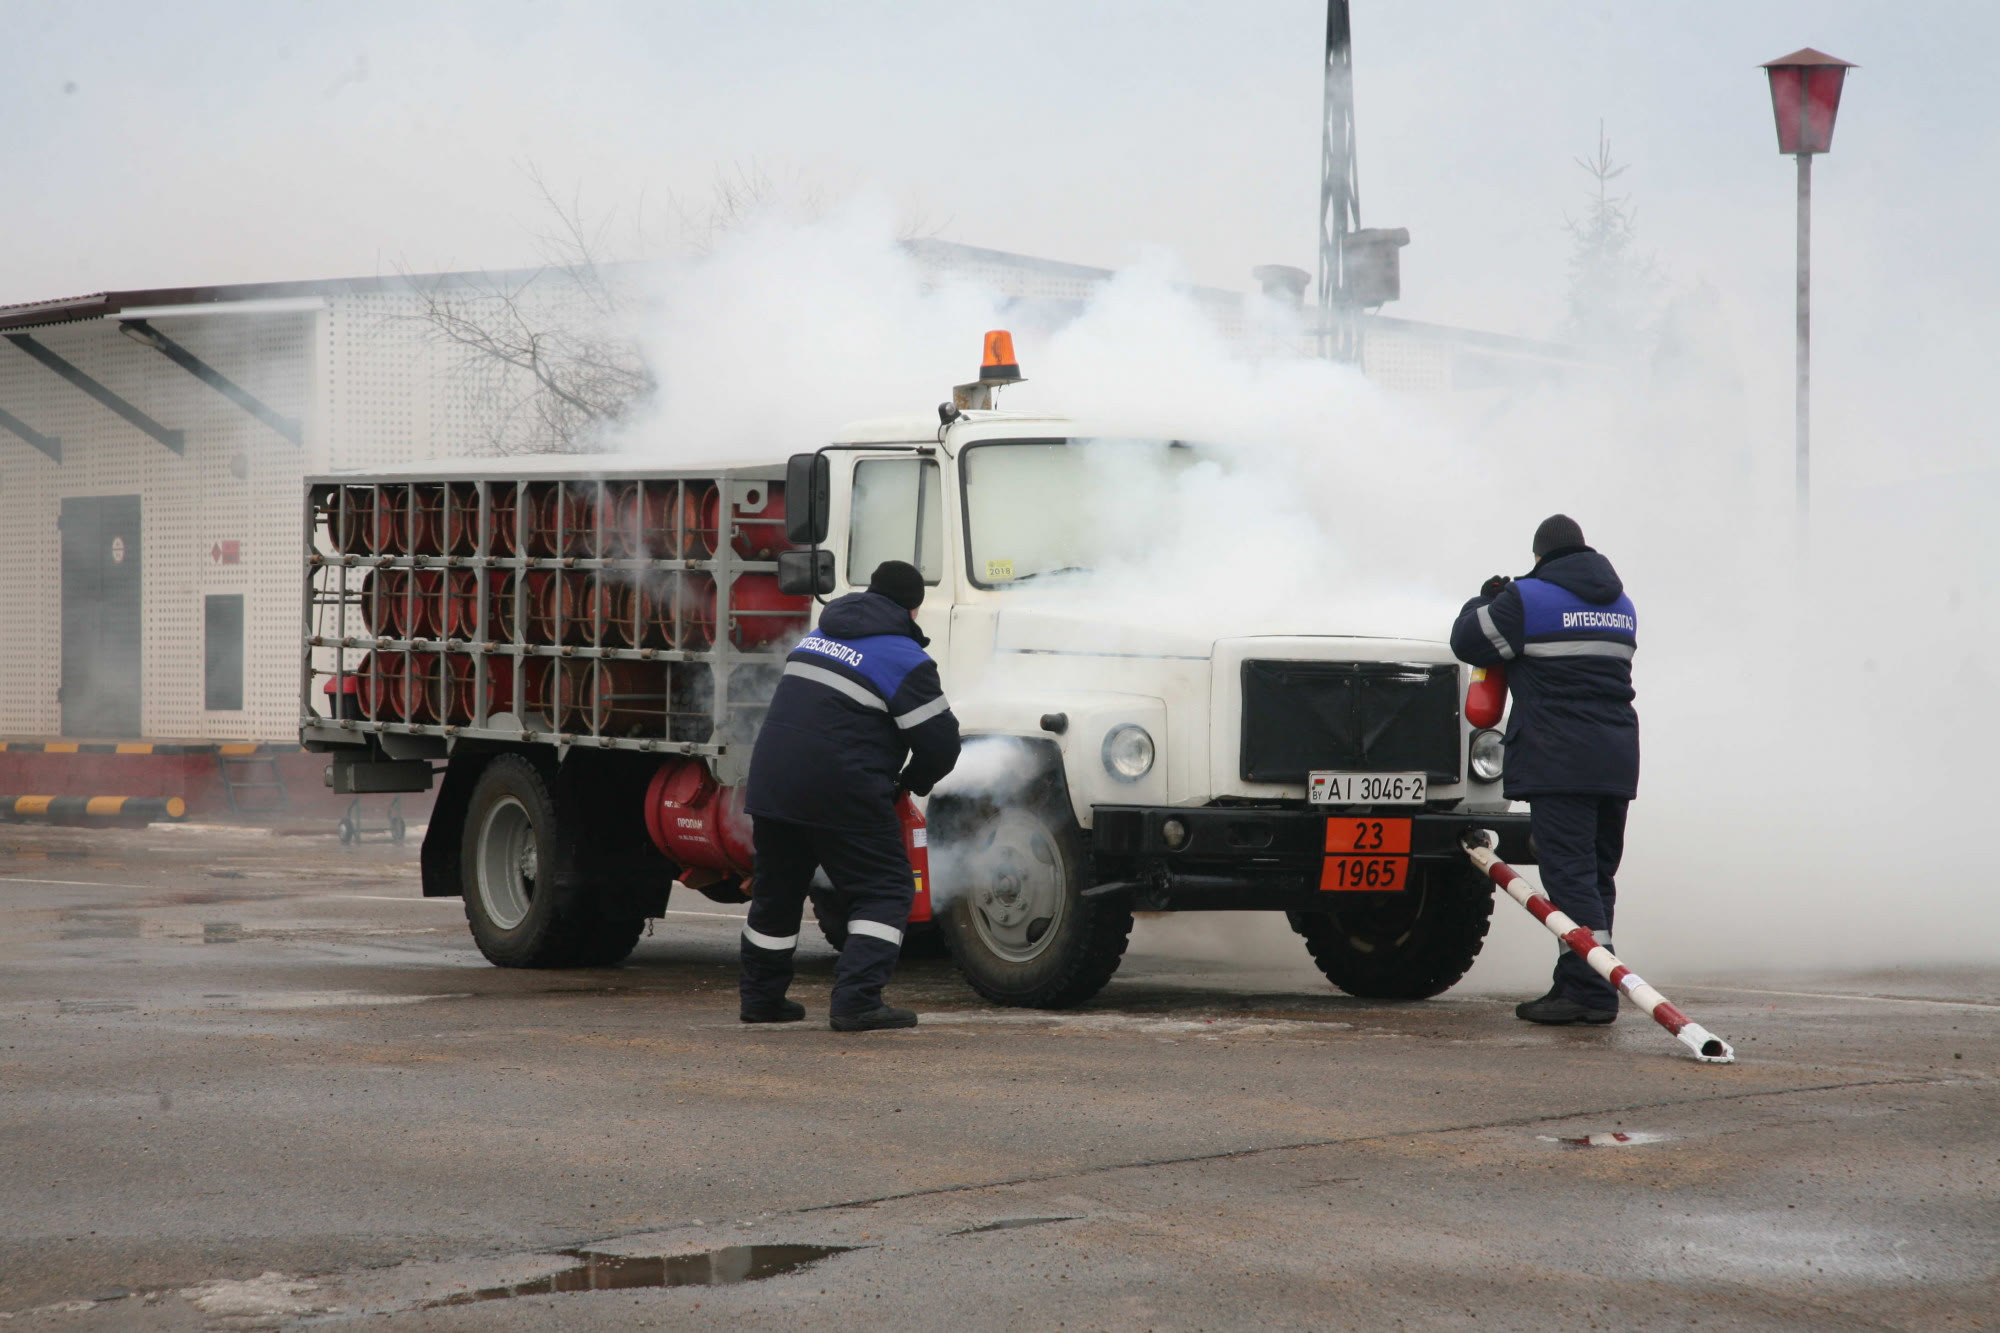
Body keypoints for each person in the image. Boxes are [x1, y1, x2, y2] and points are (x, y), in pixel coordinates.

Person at [739, 559, 961, 1031]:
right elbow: (941, 744)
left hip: (773, 784)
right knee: (885, 889)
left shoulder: (815, 639)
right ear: (913, 609)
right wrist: (910, 783)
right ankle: (857, 1001)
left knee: (777, 894)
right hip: (840, 787)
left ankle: (761, 1000)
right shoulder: (904, 658)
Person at [1450, 514, 1639, 1026]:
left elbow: (1467, 640)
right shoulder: (1622, 605)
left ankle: (1590, 993)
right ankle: (1581, 977)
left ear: (1539, 557)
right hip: (1616, 758)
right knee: (1596, 877)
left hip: (1561, 761)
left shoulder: (1527, 600)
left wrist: (1485, 599)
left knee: (1571, 877)